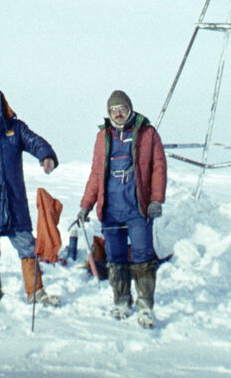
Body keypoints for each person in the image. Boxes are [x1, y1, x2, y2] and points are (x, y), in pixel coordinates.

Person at [0, 83, 61, 306]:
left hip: (15, 202)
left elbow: (34, 141)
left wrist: (46, 155)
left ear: (2, 102)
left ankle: (35, 291)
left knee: (27, 246)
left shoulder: (16, 128)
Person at [78, 90, 167, 328]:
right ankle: (121, 301)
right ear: (109, 113)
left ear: (130, 109)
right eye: (113, 110)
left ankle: (146, 305)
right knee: (115, 258)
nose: (118, 113)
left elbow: (158, 167)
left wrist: (156, 200)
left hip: (138, 207)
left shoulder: (147, 133)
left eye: (122, 109)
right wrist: (86, 205)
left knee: (142, 257)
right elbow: (96, 173)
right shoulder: (102, 136)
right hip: (111, 210)